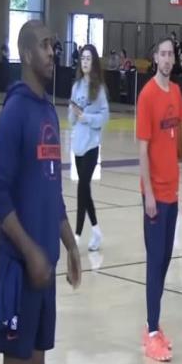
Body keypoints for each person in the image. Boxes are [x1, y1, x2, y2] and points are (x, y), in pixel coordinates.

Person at [0, 20, 82, 364]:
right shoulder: (15, 112)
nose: (52, 52)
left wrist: (70, 245)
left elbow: (52, 190)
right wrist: (30, 252)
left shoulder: (49, 113)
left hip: (45, 267)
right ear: (26, 54)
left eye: (53, 45)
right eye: (44, 45)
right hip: (19, 266)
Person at [137, 36, 182, 362]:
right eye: (162, 54)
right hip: (155, 195)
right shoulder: (147, 96)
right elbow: (142, 151)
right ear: (155, 58)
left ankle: (152, 325)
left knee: (165, 260)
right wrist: (148, 194)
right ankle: (152, 333)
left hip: (173, 192)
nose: (166, 59)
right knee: (155, 263)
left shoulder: (176, 92)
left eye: (170, 54)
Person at [69, 44, 109, 251]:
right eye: (82, 58)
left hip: (92, 146)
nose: (85, 62)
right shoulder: (76, 87)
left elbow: (104, 116)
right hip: (78, 145)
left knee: (82, 187)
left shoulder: (99, 89)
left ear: (93, 63)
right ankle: (96, 232)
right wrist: (74, 114)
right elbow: (71, 118)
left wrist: (87, 117)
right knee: (86, 191)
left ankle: (76, 235)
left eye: (88, 58)